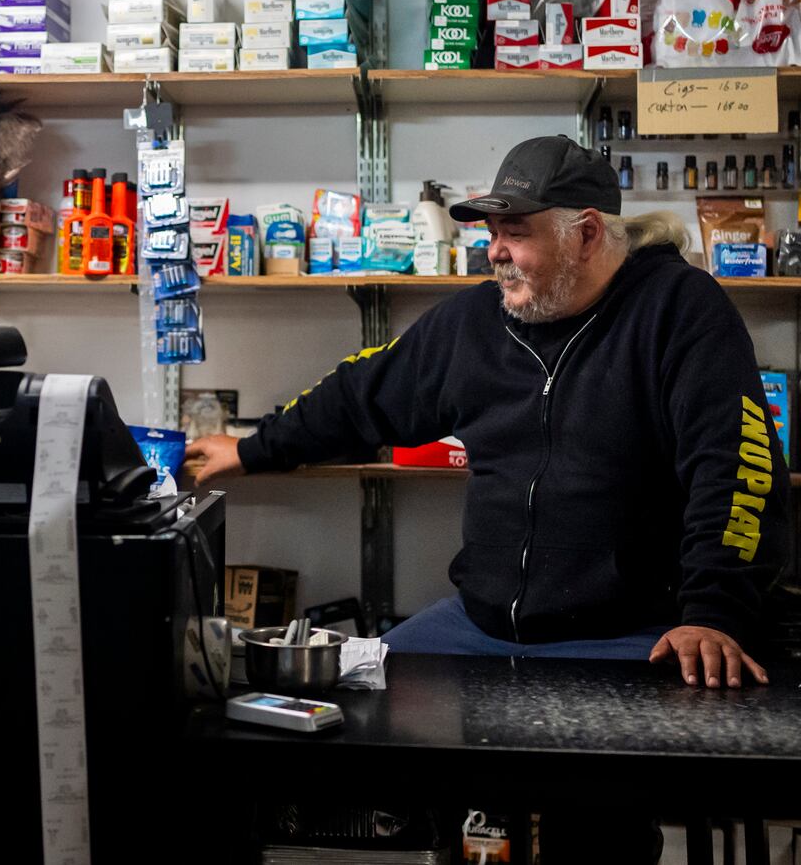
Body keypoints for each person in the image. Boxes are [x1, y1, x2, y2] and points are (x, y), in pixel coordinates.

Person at [186, 135, 791, 690]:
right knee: (353, 713)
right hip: (478, 627)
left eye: (515, 232)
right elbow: (359, 393)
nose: (493, 252)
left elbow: (736, 468)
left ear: (583, 234)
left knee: (598, 795)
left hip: (631, 635)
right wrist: (249, 449)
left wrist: (715, 616)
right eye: (490, 231)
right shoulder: (475, 322)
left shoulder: (679, 310)